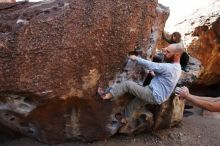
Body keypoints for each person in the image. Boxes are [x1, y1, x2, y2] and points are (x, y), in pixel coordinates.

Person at [98, 43, 183, 107]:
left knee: (127, 85)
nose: (165, 53)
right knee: (135, 103)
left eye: (168, 52)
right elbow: (167, 80)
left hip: (153, 94)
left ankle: (106, 95)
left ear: (177, 55)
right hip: (159, 97)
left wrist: (136, 58)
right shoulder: (178, 68)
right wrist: (154, 75)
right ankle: (124, 120)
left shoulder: (170, 67)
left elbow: (152, 65)